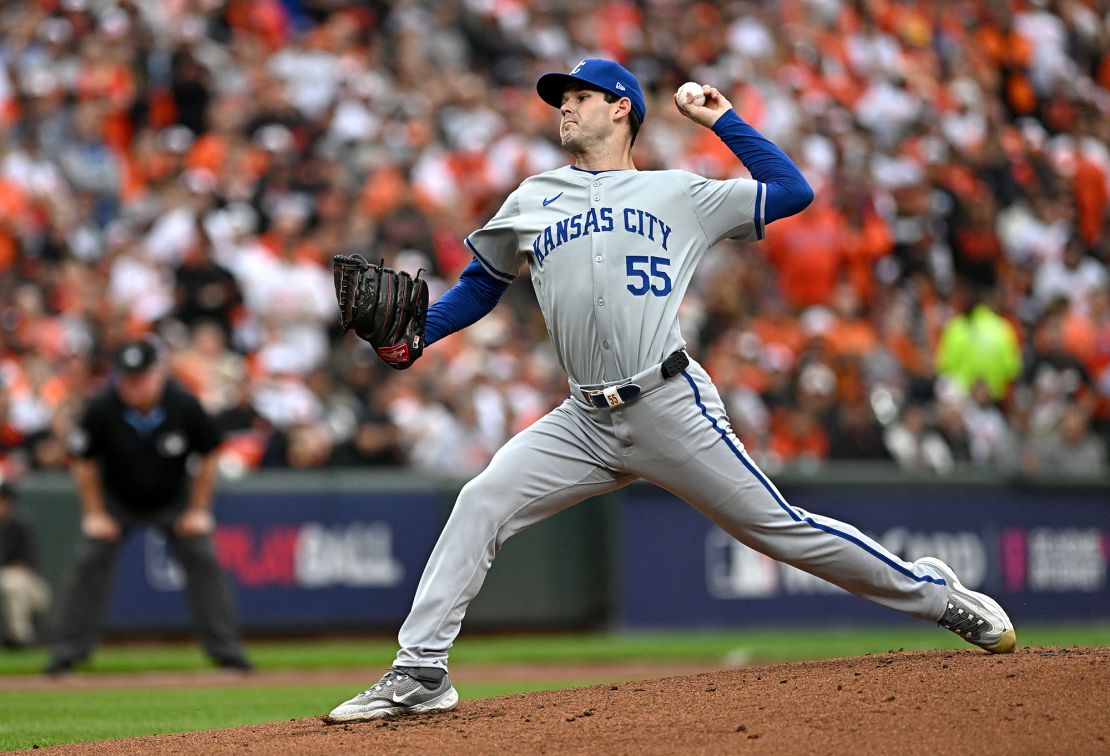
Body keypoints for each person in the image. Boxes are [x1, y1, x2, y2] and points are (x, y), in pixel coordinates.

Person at [326, 59, 1016, 723]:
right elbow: (482, 285)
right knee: (481, 501)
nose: (563, 106)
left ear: (621, 107)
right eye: (560, 98)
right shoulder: (533, 196)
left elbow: (794, 192)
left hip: (668, 403)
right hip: (581, 419)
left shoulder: (678, 192)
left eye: (579, 95)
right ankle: (421, 671)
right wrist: (419, 338)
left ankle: (933, 592)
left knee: (780, 532)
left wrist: (726, 122)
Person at [44, 338, 250, 675]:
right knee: (89, 560)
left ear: (158, 374)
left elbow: (210, 453)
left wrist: (198, 509)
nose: (133, 387)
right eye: (127, 379)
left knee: (203, 558)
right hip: (118, 501)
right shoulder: (103, 406)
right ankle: (66, 653)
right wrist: (95, 514)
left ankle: (228, 652)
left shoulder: (183, 404)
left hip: (172, 499)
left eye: (140, 378)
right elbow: (83, 460)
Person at [0, 480, 51, 648]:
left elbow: (24, 566)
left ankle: (20, 640)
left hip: (31, 585)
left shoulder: (20, 525)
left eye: (3, 499)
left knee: (10, 582)